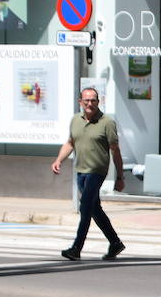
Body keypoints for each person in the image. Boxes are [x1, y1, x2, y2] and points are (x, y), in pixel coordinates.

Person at [51, 87, 125, 261]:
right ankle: (115, 243)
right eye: (86, 101)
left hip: (97, 171)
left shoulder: (107, 122)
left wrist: (120, 177)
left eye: (93, 100)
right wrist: (58, 160)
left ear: (98, 102)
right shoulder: (75, 120)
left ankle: (76, 248)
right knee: (94, 209)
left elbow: (115, 150)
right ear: (80, 102)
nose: (90, 104)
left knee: (85, 207)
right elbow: (70, 143)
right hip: (81, 171)